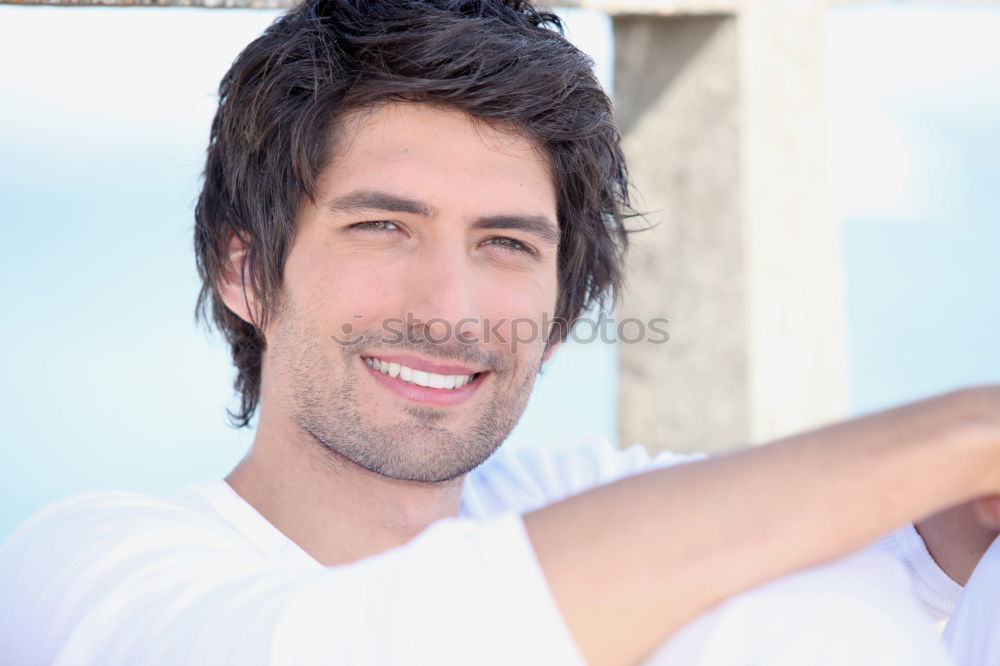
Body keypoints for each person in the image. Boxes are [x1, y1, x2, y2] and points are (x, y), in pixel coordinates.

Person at [1, 1, 998, 664]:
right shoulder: (82, 569)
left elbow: (899, 569)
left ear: (561, 312)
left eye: (507, 244)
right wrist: (964, 429)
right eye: (382, 226)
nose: (454, 307)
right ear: (244, 270)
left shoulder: (571, 497)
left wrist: (965, 513)